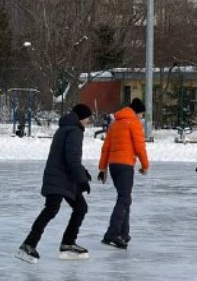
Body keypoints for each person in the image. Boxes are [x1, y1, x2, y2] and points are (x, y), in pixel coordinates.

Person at [16, 104, 94, 263]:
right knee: (52, 209)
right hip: (60, 178)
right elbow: (72, 158)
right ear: (81, 117)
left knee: (79, 207)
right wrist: (82, 180)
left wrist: (82, 172)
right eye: (87, 118)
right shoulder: (75, 131)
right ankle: (29, 244)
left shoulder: (66, 128)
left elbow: (68, 156)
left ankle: (68, 243)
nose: (88, 121)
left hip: (62, 177)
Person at [98, 97, 149, 249]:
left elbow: (106, 147)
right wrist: (145, 165)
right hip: (125, 165)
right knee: (124, 198)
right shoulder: (133, 123)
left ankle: (123, 233)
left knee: (125, 198)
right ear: (137, 112)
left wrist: (103, 168)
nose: (142, 117)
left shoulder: (115, 124)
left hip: (114, 166)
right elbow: (140, 147)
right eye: (142, 114)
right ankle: (112, 233)